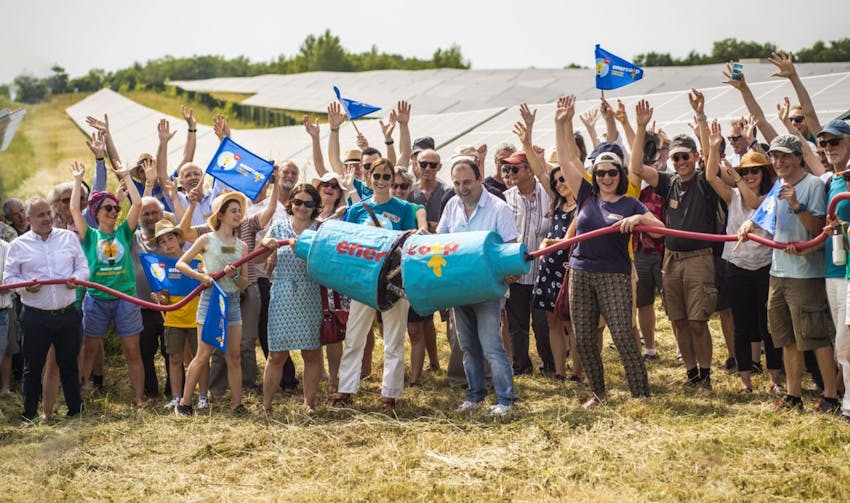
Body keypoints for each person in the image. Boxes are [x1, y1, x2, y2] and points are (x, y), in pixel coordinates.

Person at [555, 96, 662, 408]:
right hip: (580, 272)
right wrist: (562, 122)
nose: (605, 178)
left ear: (620, 173)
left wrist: (640, 218)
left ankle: (641, 394)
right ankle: (598, 394)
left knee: (623, 334)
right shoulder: (587, 193)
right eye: (600, 173)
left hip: (614, 274)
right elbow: (565, 160)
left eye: (611, 173)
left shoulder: (630, 200)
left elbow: (657, 229)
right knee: (585, 338)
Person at [739, 134, 839, 413]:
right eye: (775, 156)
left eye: (784, 156)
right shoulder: (778, 186)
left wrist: (796, 205)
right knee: (785, 337)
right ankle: (793, 396)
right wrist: (749, 226)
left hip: (805, 275)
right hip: (778, 270)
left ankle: (830, 396)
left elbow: (818, 229)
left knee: (815, 336)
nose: (779, 161)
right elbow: (763, 216)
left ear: (798, 157)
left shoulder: (813, 186)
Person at [632, 117, 720, 389]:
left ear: (695, 156)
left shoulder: (705, 182)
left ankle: (705, 376)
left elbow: (711, 168)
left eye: (685, 156)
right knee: (678, 320)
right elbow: (636, 167)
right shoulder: (669, 182)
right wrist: (639, 126)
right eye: (675, 158)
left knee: (697, 321)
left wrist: (703, 122)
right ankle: (692, 374)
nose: (680, 162)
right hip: (670, 258)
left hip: (699, 258)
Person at [333, 158, 422, 410]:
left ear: (393, 180)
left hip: (394, 280)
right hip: (364, 281)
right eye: (377, 176)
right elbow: (347, 245)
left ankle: (390, 393)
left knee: (393, 337)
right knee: (355, 336)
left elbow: (409, 243)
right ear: (369, 178)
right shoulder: (357, 210)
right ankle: (345, 390)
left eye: (386, 177)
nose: (382, 181)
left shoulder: (404, 209)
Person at [704, 120, 784, 394]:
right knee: (741, 324)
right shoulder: (733, 195)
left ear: (764, 173)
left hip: (765, 266)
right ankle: (745, 381)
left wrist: (736, 176)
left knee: (768, 325)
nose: (749, 175)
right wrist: (713, 148)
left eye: (754, 171)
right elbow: (711, 177)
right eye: (745, 171)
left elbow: (753, 203)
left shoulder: (773, 197)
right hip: (737, 266)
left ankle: (775, 379)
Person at [438, 157, 520, 416]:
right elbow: (440, 242)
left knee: (491, 345)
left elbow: (510, 245)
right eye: (457, 183)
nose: (462, 188)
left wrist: (510, 273)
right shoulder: (452, 206)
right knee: (467, 346)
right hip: (459, 289)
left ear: (480, 179)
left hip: (488, 290)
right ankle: (475, 395)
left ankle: (506, 400)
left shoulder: (498, 208)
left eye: (467, 182)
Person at [512, 104, 583, 382]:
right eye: (557, 180)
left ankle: (578, 371)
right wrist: (526, 140)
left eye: (565, 178)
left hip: (570, 270)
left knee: (571, 323)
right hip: (548, 268)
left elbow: (567, 242)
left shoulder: (582, 204)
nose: (561, 182)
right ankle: (559, 371)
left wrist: (564, 123)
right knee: (553, 321)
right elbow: (541, 171)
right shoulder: (555, 202)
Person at [3, 196, 89, 422]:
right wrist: (25, 288)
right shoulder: (17, 246)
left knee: (69, 365)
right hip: (35, 316)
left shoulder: (69, 238)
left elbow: (83, 267)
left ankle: (75, 410)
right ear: (29, 219)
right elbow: (9, 277)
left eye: (48, 213)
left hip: (67, 313)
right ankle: (29, 414)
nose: (46, 218)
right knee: (32, 367)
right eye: (40, 215)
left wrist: (76, 279)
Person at [69, 160, 147, 406]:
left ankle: (138, 398)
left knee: (132, 351)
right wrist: (77, 180)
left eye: (115, 208)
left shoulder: (124, 231)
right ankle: (80, 395)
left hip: (125, 298)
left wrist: (125, 175)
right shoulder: (90, 236)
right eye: (107, 209)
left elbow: (139, 204)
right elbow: (73, 209)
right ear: (96, 213)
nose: (113, 212)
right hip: (97, 298)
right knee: (89, 349)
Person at [175, 191, 250, 416]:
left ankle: (237, 404)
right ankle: (185, 403)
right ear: (221, 214)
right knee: (203, 353)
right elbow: (181, 263)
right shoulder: (206, 239)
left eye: (240, 211)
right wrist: (201, 277)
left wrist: (235, 276)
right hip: (211, 300)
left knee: (234, 355)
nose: (238, 215)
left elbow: (244, 283)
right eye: (233, 211)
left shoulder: (242, 246)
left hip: (233, 301)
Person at [258, 184, 323, 413]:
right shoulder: (277, 227)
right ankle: (266, 405)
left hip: (310, 293)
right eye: (298, 202)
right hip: (283, 293)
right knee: (276, 354)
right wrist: (266, 245)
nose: (302, 207)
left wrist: (305, 255)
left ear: (315, 206)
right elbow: (258, 258)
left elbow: (326, 267)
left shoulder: (321, 230)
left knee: (311, 351)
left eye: (308, 204)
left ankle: (309, 404)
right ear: (291, 203)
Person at [502, 150, 554, 375]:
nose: (509, 173)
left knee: (543, 324)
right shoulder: (505, 199)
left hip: (544, 272)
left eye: (514, 168)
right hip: (516, 272)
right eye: (507, 169)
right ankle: (521, 366)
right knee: (517, 324)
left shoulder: (549, 194)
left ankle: (551, 365)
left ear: (530, 170)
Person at [148, 220, 205, 410]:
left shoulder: (197, 260)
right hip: (174, 318)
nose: (167, 244)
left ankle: (203, 396)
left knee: (201, 357)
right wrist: (160, 298)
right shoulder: (159, 267)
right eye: (162, 242)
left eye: (170, 238)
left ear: (179, 239)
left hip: (197, 317)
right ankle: (176, 396)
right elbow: (164, 298)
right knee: (173, 358)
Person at [391, 167, 431, 385]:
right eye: (394, 185)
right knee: (391, 332)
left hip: (411, 276)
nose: (398, 190)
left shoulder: (416, 208)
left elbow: (423, 226)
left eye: (403, 186)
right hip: (387, 277)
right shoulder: (382, 207)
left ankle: (415, 378)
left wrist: (419, 231)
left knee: (415, 330)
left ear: (410, 187)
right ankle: (394, 375)